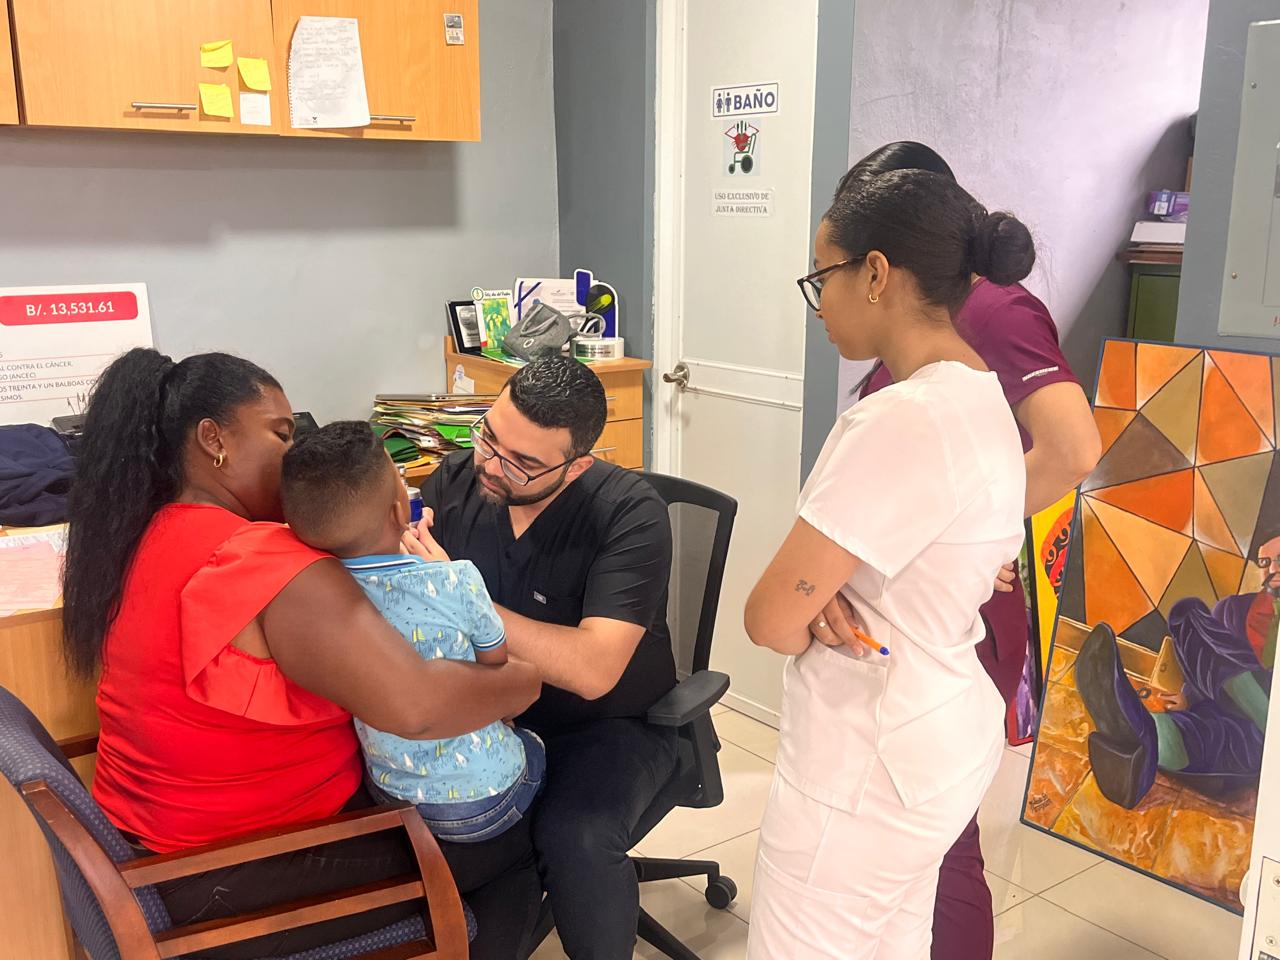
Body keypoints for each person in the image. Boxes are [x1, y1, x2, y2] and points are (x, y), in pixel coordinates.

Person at [62, 348, 543, 960]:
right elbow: (419, 707)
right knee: (512, 839)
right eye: (281, 434)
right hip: (238, 869)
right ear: (214, 440)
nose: (293, 455)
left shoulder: (142, 532)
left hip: (154, 854)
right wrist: (525, 680)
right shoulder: (264, 559)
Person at [743, 169, 1033, 958]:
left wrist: (813, 601)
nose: (819, 305)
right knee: (893, 940)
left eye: (822, 277)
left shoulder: (898, 420)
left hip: (867, 763)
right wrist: (824, 593)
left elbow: (769, 620)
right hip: (941, 731)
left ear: (875, 273)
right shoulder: (982, 398)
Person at [824, 141, 1101, 959]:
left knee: (943, 840)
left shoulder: (995, 311)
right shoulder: (911, 326)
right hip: (897, 606)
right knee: (899, 839)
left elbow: (1072, 449)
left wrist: (975, 530)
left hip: (954, 606)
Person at [421, 357, 677, 960]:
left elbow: (593, 670)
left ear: (577, 465)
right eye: (489, 437)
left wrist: (460, 594)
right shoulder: (458, 479)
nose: (492, 465)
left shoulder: (629, 513)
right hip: (488, 713)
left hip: (605, 726)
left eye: (523, 463)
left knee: (574, 837)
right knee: (422, 822)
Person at [280, 420, 545, 841]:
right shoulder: (455, 578)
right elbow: (495, 665)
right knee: (533, 745)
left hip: (393, 795)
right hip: (483, 801)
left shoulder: (317, 596)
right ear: (400, 511)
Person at [1075, 527, 1279, 809]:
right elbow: (1209, 660)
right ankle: (1135, 741)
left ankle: (1132, 728)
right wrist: (1189, 697)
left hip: (1262, 730)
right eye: (1265, 562)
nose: (1272, 569)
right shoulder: (1234, 609)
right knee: (1187, 611)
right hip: (1224, 712)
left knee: (1225, 739)